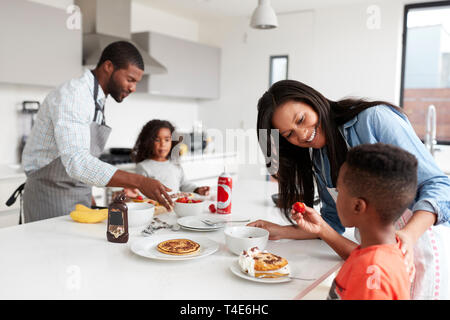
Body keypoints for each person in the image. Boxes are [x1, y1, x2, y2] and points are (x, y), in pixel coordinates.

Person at [250, 79, 450, 299]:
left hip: (421, 241)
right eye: (289, 135)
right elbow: (330, 222)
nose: (302, 134)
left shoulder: (374, 119)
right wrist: (280, 231)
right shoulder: (318, 157)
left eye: (301, 119)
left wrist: (408, 237)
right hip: (382, 251)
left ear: (313, 101)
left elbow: (439, 185)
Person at [21, 41, 173, 223]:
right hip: (50, 195)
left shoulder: (95, 99)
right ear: (108, 66)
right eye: (130, 79)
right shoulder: (74, 95)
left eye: (136, 83)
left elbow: (83, 160)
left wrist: (88, 195)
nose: (133, 88)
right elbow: (77, 162)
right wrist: (140, 181)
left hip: (78, 194)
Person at [293, 143, 415, 300]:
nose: (336, 198)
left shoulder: (370, 274)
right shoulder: (389, 249)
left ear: (357, 206)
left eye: (339, 191)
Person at [132, 119, 210, 196]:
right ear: (148, 142)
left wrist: (197, 189)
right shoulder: (143, 167)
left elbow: (184, 184)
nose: (163, 144)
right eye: (157, 140)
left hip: (175, 206)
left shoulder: (174, 163)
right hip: (156, 207)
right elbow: (140, 193)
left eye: (167, 140)